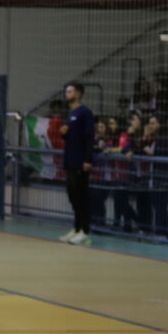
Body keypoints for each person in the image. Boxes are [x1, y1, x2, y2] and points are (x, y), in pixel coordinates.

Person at [58, 79, 98, 245]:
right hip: (70, 160)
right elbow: (71, 137)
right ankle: (76, 228)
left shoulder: (85, 113)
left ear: (78, 94)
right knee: (73, 196)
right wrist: (64, 133)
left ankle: (85, 231)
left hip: (81, 162)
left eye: (70, 91)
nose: (67, 94)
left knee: (81, 196)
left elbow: (89, 137)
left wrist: (88, 159)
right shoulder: (70, 114)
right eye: (66, 91)